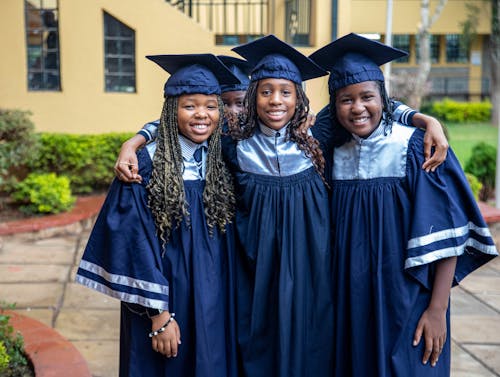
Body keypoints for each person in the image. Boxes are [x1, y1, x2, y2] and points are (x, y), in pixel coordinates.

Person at [309, 33, 498, 377]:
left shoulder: (414, 148)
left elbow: (447, 234)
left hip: (407, 300)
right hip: (351, 300)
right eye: (345, 99)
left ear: (383, 97)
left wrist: (437, 309)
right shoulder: (334, 150)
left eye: (368, 96)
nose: (357, 107)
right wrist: (423, 116)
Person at [75, 54, 241, 377]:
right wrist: (158, 315)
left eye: (210, 105)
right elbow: (132, 243)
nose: (202, 115)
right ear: (170, 110)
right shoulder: (145, 164)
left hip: (212, 293)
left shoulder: (220, 154)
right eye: (189, 105)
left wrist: (136, 136)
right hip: (168, 295)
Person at [224, 34, 334, 377]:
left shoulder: (321, 138)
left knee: (311, 342)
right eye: (266, 91)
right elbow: (180, 123)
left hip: (310, 271)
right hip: (256, 272)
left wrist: (425, 120)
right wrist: (138, 139)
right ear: (252, 96)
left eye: (285, 92)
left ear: (298, 98)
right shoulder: (234, 147)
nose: (276, 100)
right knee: (259, 343)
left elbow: (372, 109)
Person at [114, 55, 252, 183]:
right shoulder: (218, 128)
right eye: (224, 103)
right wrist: (132, 143)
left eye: (240, 103)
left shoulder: (257, 128)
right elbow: (168, 123)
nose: (233, 111)